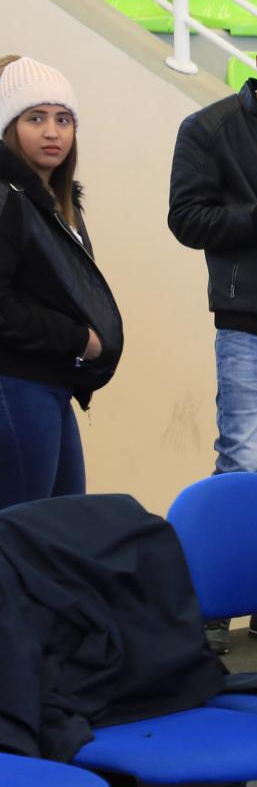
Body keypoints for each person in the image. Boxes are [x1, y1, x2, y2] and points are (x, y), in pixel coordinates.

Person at [0, 57, 120, 510]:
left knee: (63, 527)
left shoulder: (59, 204)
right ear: (11, 126)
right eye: (36, 118)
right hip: (15, 384)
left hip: (52, 385)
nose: (53, 132)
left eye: (63, 119)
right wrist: (77, 339)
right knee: (23, 532)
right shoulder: (7, 200)